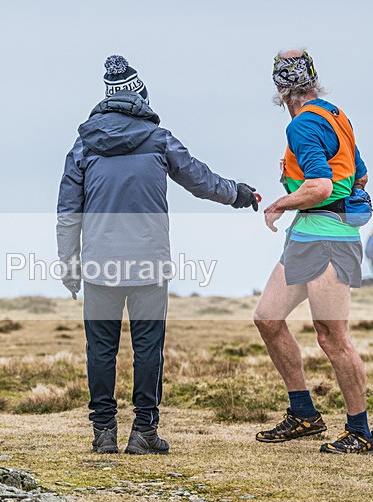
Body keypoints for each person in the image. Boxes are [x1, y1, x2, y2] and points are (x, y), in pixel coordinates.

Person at [56, 55, 258, 455]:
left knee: (100, 348)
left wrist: (69, 263)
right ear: (139, 95)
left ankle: (103, 432)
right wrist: (237, 193)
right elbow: (200, 179)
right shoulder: (158, 139)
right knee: (148, 346)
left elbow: (68, 212)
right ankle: (144, 430)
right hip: (148, 261)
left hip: (98, 263)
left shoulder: (83, 146)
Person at [254, 49, 373, 454]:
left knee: (332, 337)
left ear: (279, 88)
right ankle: (304, 414)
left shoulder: (303, 125)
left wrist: (279, 204)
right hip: (307, 236)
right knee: (268, 318)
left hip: (329, 239)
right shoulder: (335, 114)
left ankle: (360, 432)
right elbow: (360, 172)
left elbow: (320, 186)